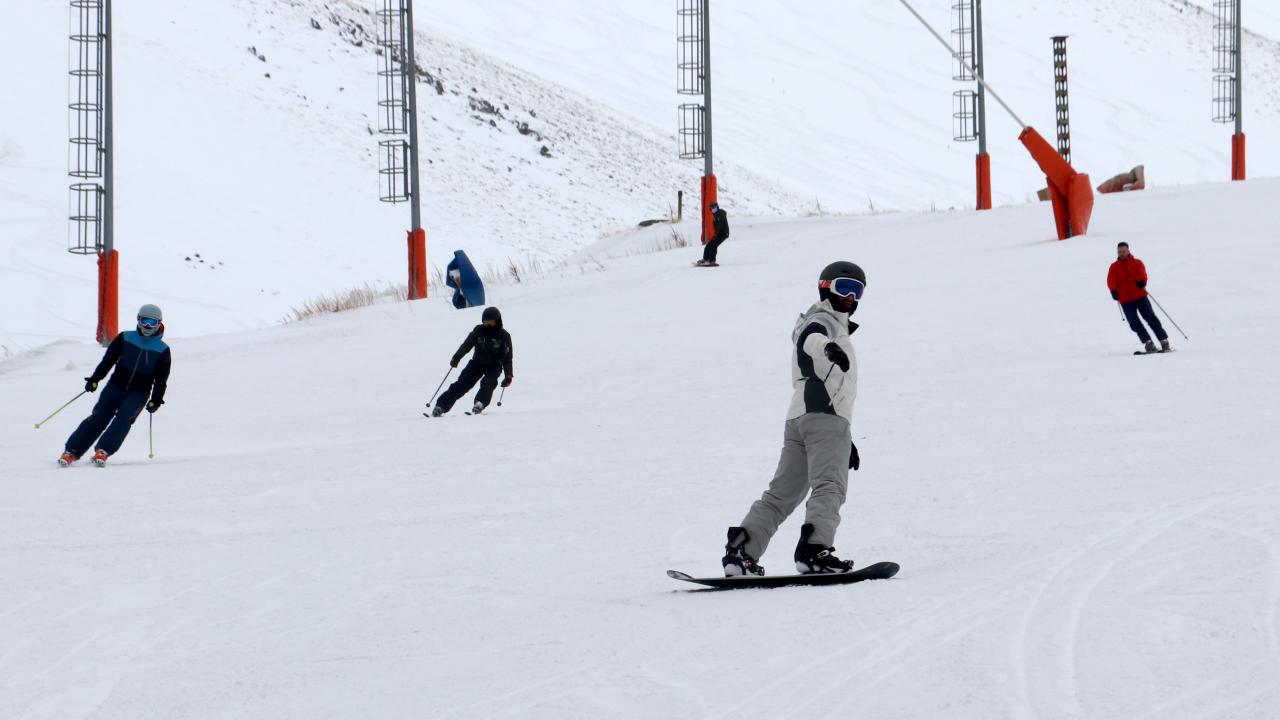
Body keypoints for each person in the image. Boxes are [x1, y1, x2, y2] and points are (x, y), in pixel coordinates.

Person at [721, 261, 866, 576]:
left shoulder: (816, 321)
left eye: (858, 291)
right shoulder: (823, 322)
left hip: (801, 420)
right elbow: (811, 339)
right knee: (830, 486)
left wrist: (845, 438)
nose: (851, 298)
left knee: (781, 494)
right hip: (825, 418)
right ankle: (815, 550)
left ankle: (741, 552)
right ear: (825, 286)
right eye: (844, 288)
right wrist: (827, 348)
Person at [59, 304, 171, 467]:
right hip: (115, 386)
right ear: (138, 320)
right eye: (145, 321)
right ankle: (72, 451)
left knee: (124, 419)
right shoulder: (125, 338)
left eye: (152, 322)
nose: (148, 326)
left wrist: (156, 399)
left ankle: (103, 450)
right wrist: (95, 379)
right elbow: (108, 361)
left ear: (159, 323)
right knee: (99, 417)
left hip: (139, 392)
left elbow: (161, 378)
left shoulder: (162, 350)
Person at [432, 306, 514, 416]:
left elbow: (507, 358)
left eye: (491, 323)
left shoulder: (504, 336)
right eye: (486, 323)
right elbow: (467, 345)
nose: (488, 326)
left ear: (498, 322)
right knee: (462, 384)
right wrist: (456, 357)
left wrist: (508, 375)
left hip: (494, 366)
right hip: (476, 363)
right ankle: (441, 406)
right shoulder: (478, 331)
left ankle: (480, 403)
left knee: (488, 383)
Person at [1107, 242, 1170, 353]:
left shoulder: (1137, 263)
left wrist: (1142, 282)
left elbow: (1142, 274)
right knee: (1134, 323)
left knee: (1151, 318)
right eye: (1119, 251)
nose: (1121, 253)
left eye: (1123, 251)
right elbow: (1111, 281)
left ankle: (1164, 341)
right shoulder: (1114, 267)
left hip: (1140, 297)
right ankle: (1148, 343)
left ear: (1128, 251)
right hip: (1125, 301)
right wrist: (1113, 291)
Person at [695, 202, 730, 267]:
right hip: (719, 233)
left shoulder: (720, 214)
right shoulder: (716, 215)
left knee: (713, 245)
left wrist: (716, 233)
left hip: (724, 233)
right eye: (712, 208)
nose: (713, 209)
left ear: (717, 207)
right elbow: (716, 226)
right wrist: (715, 233)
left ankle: (712, 261)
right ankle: (705, 259)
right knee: (708, 245)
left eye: (714, 208)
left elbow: (720, 225)